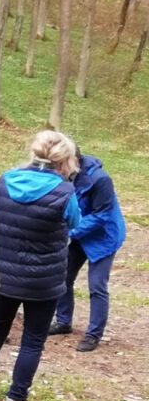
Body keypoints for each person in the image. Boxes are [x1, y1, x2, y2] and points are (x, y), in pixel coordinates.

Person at [0, 131, 81, 401]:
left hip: (4, 273)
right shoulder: (64, 193)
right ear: (64, 160)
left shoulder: (5, 180)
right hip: (44, 280)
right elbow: (75, 223)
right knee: (33, 340)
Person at [48, 149, 126, 353]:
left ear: (74, 159)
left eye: (61, 162)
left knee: (97, 285)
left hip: (103, 237)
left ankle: (93, 334)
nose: (57, 168)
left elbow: (103, 215)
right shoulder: (63, 175)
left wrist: (72, 229)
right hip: (81, 234)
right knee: (64, 276)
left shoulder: (100, 180)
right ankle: (63, 322)